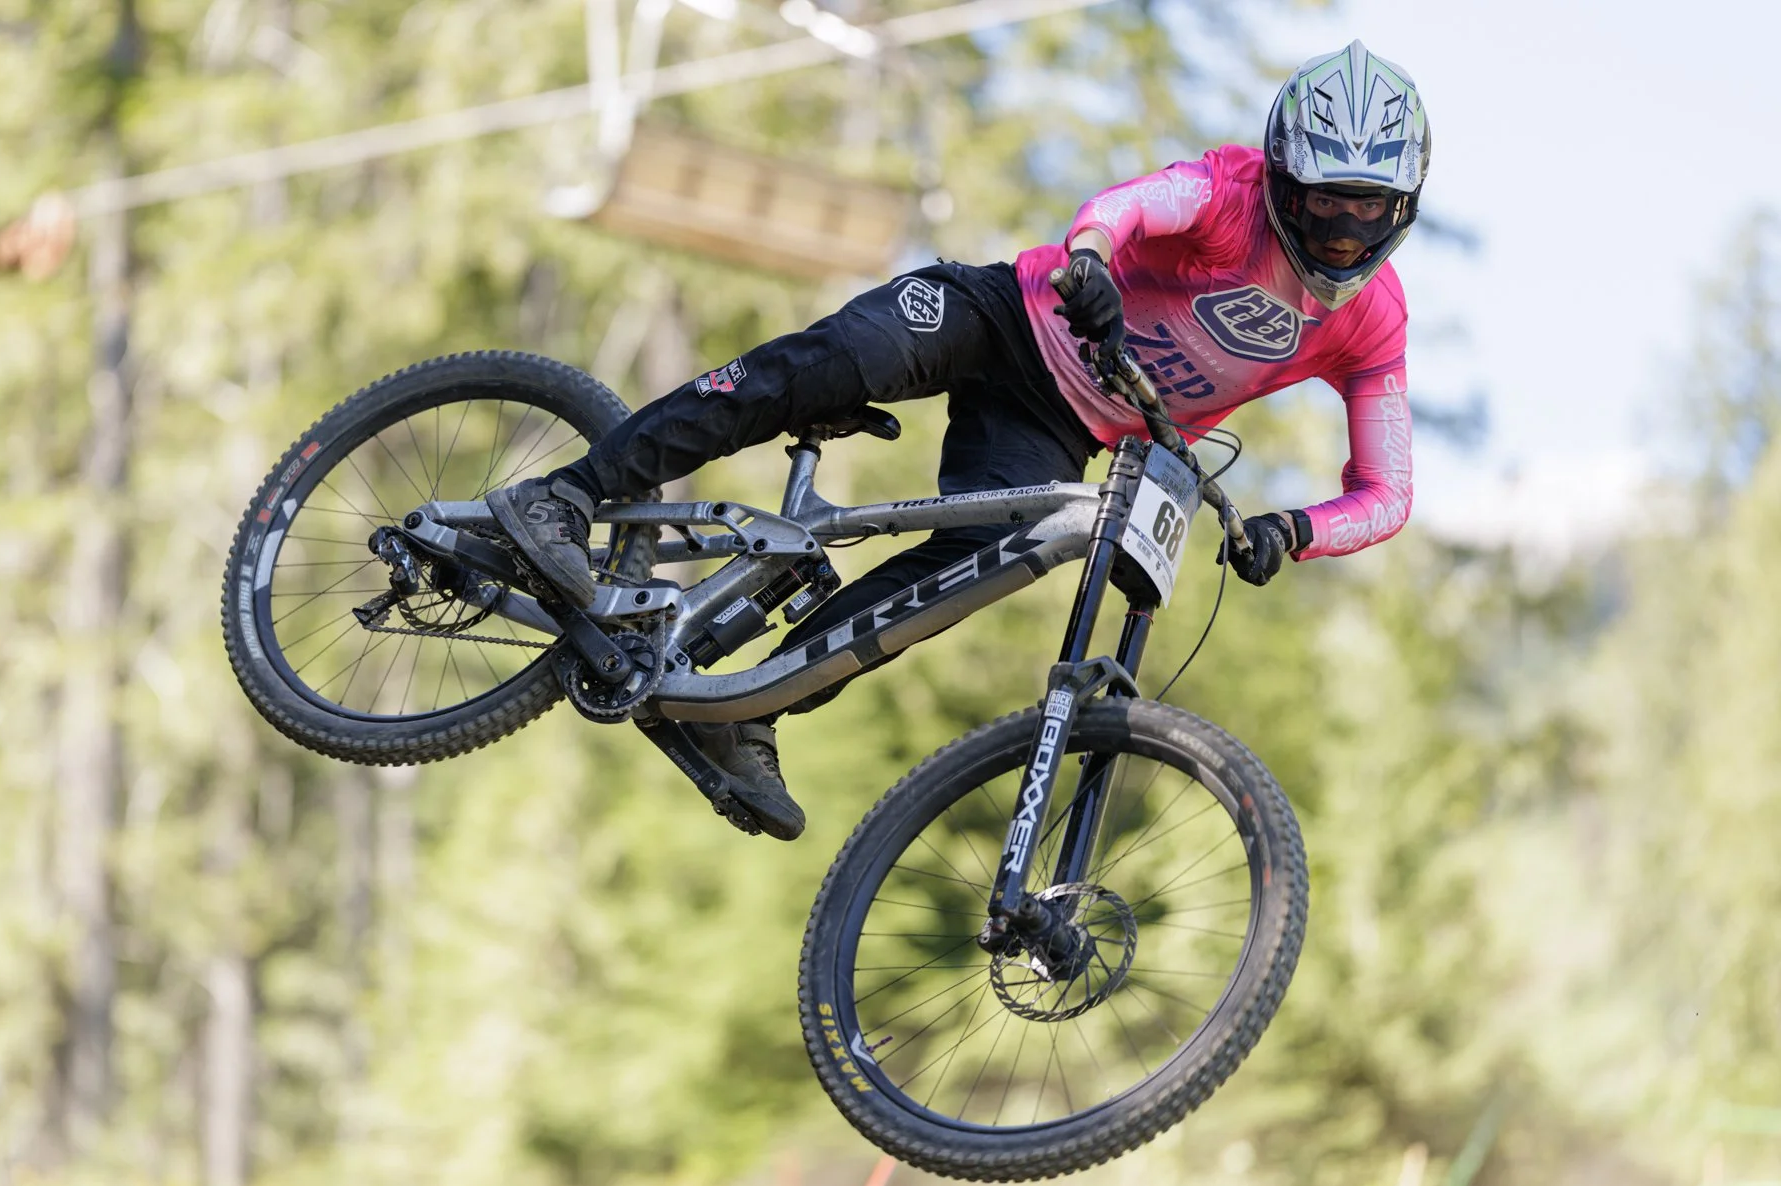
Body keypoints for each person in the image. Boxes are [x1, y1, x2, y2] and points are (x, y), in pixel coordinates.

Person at [488, 39, 1429, 840]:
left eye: (1367, 212)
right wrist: (1091, 264)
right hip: (999, 318)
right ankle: (564, 494)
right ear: (1280, 178)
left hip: (1059, 425)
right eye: (1322, 206)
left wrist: (1297, 530)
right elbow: (1124, 207)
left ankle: (753, 708)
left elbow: (1387, 493)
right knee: (826, 364)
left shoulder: (1370, 323)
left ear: (1403, 208)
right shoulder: (1229, 193)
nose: (1343, 236)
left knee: (978, 566)